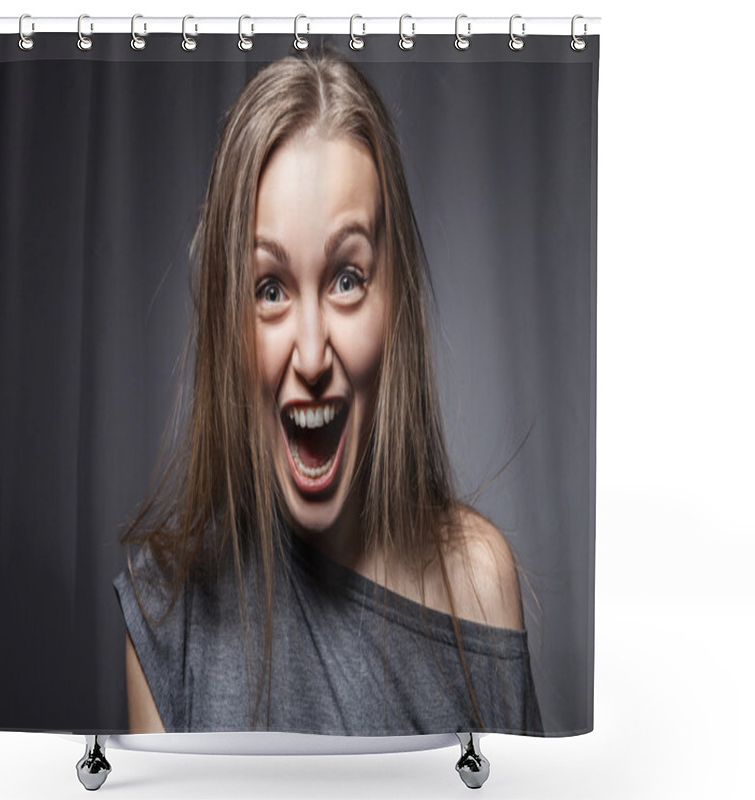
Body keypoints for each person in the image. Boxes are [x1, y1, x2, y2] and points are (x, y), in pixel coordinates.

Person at [114, 47, 542, 737]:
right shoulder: (167, 614)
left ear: (393, 301)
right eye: (270, 289)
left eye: (347, 278)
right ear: (228, 320)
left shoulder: (480, 583)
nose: (312, 355)